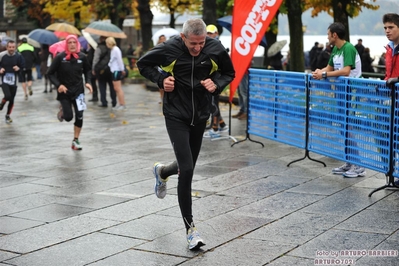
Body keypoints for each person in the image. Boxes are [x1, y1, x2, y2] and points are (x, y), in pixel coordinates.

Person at [137, 18, 235, 250]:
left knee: (185, 164)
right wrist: (161, 80)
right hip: (175, 115)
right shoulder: (169, 48)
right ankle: (191, 230)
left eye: (201, 43)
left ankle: (162, 171)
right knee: (188, 169)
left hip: (200, 116)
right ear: (183, 38)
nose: (198, 48)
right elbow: (143, 64)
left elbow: (228, 72)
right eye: (193, 43)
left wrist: (217, 84)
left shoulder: (215, 48)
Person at [312, 22, 364, 178]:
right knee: (343, 126)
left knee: (347, 126)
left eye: (328, 34)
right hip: (341, 91)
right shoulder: (335, 49)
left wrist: (325, 75)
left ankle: (358, 165)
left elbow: (346, 71)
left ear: (334, 35)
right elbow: (329, 68)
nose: (327, 37)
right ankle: (350, 161)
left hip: (351, 91)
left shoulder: (348, 48)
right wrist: (319, 72)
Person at [47, 35, 93, 150]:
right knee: (68, 118)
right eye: (70, 42)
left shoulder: (82, 57)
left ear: (77, 44)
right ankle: (63, 110)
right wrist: (59, 85)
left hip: (79, 91)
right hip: (65, 92)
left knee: (80, 116)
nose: (72, 44)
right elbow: (50, 73)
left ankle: (76, 140)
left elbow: (88, 70)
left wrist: (88, 82)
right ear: (66, 44)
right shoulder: (60, 58)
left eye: (74, 42)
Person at [203, 24, 229, 138]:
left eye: (210, 33)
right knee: (213, 102)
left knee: (213, 103)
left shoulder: (217, 45)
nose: (208, 35)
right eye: (207, 33)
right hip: (213, 78)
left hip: (216, 79)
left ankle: (215, 128)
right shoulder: (209, 45)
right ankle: (222, 125)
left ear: (216, 33)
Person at [382, 13, 399, 186]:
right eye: (385, 28)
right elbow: (388, 74)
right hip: (391, 99)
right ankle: (390, 169)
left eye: (391, 27)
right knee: (383, 133)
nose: (387, 31)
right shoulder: (389, 48)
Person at [0, 40, 25, 124]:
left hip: (14, 81)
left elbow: (23, 66)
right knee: (7, 95)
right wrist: (0, 69)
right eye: (10, 47)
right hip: (4, 80)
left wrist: (18, 69)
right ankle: (2, 103)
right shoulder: (2, 55)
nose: (11, 49)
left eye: (13, 47)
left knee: (11, 100)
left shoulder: (18, 56)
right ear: (7, 47)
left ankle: (7, 115)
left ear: (15, 47)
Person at [93, 36, 116, 108]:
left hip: (101, 70)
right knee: (112, 86)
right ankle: (114, 101)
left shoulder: (99, 48)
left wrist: (94, 69)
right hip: (110, 69)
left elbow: (95, 59)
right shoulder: (112, 48)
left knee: (102, 86)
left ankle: (104, 102)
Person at [106, 37, 126, 110]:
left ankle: (122, 103)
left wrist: (122, 69)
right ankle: (120, 103)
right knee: (116, 88)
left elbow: (119, 60)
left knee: (118, 88)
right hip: (114, 70)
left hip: (116, 70)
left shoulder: (116, 49)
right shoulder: (113, 50)